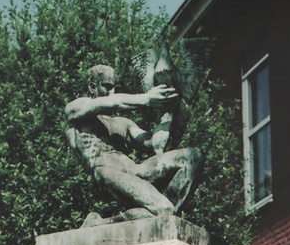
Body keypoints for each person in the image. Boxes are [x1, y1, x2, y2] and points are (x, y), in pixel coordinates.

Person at [65, 64, 203, 226]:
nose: (112, 92)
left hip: (135, 171)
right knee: (164, 209)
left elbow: (155, 145)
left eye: (114, 87)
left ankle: (162, 218)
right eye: (107, 87)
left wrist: (167, 109)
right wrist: (146, 99)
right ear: (92, 86)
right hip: (107, 173)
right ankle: (100, 223)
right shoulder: (76, 110)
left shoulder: (122, 123)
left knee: (192, 158)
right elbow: (114, 103)